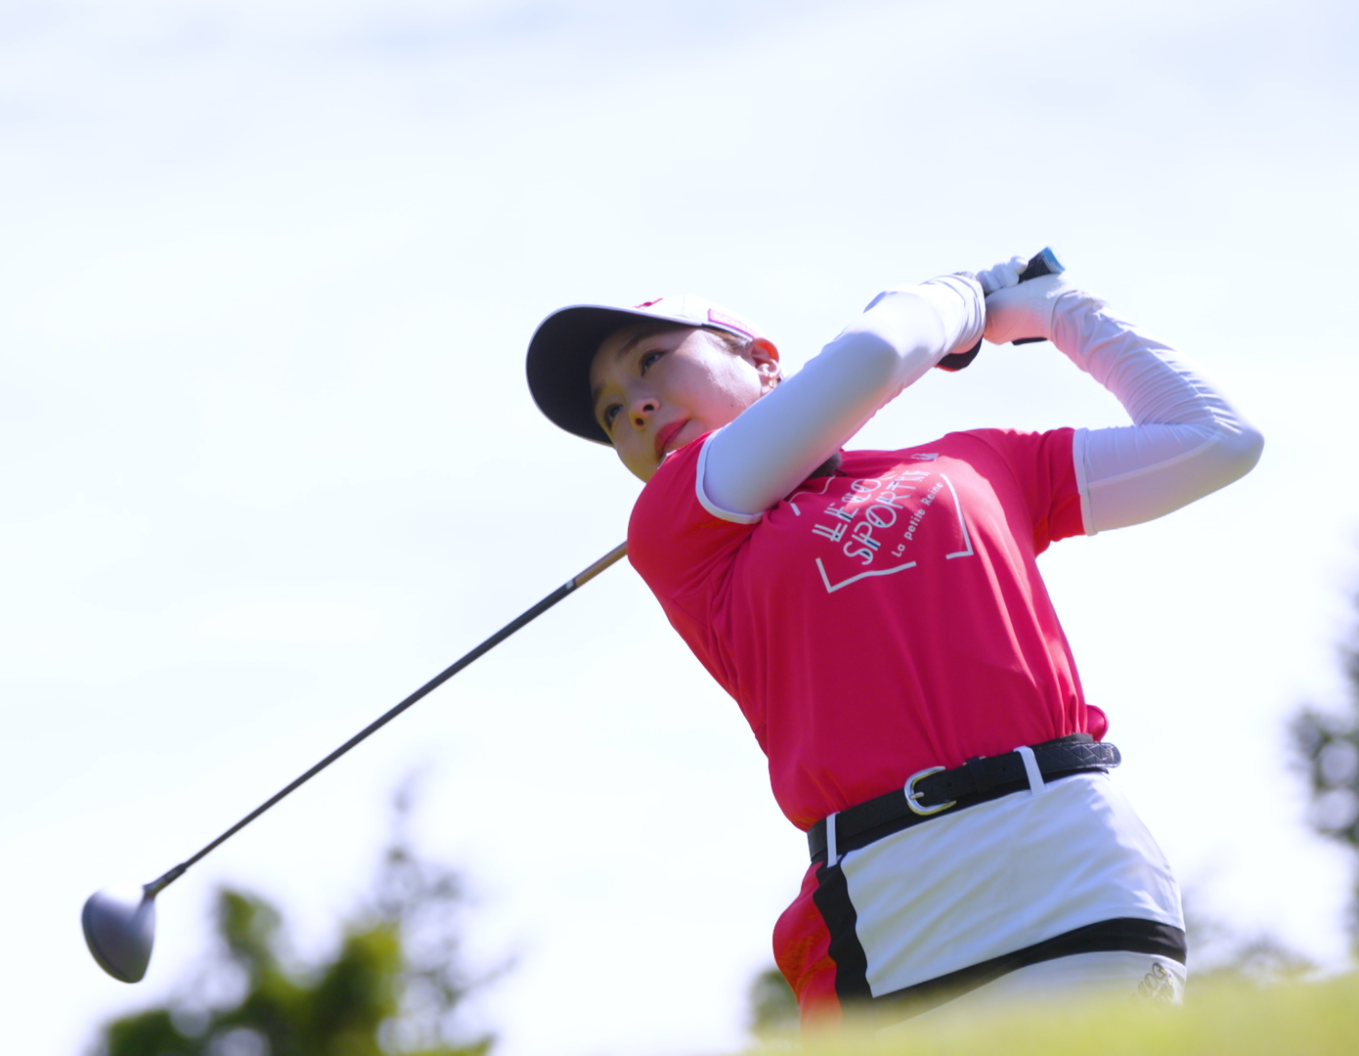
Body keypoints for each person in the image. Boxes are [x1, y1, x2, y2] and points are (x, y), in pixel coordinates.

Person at [523, 256, 1262, 1028]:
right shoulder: (673, 528)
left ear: (764, 362)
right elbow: (880, 350)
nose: (636, 408)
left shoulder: (979, 462)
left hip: (1073, 855)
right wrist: (966, 298)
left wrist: (1061, 310)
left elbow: (1217, 439)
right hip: (890, 907)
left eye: (650, 361)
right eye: (611, 412)